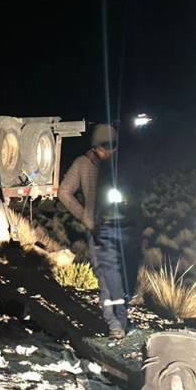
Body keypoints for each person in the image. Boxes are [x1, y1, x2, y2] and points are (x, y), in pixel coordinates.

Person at [59, 123, 134, 338]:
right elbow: (64, 192)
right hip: (101, 229)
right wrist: (85, 216)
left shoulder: (117, 164)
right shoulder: (85, 164)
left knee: (122, 275)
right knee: (107, 279)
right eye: (107, 149)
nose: (110, 152)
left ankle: (121, 319)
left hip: (121, 228)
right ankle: (115, 323)